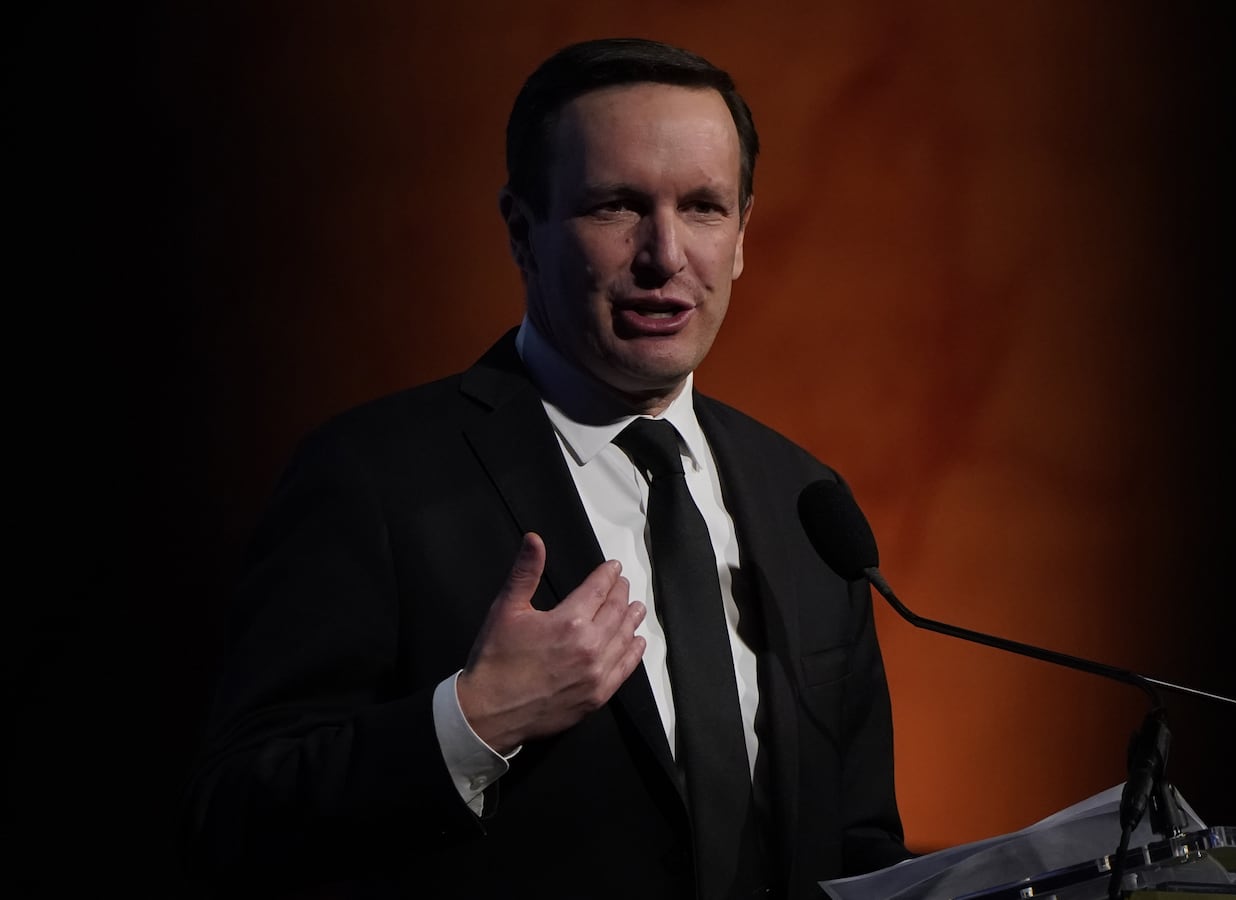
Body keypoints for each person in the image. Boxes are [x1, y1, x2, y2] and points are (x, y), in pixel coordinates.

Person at [182, 36, 911, 900]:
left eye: (705, 208)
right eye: (617, 206)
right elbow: (236, 819)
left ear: (744, 236)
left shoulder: (802, 499)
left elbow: (859, 844)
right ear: (522, 231)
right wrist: (476, 719)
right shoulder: (374, 477)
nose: (665, 255)